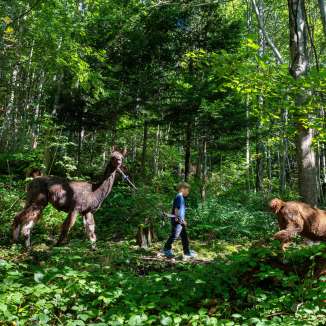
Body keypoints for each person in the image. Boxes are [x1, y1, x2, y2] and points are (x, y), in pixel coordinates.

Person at [163, 182, 196, 258]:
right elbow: (176, 209)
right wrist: (178, 219)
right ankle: (167, 249)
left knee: (184, 237)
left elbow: (180, 210)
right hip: (178, 221)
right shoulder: (179, 197)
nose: (188, 192)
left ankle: (187, 252)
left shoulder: (181, 197)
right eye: (187, 190)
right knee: (174, 235)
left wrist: (183, 220)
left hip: (181, 221)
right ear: (182, 189)